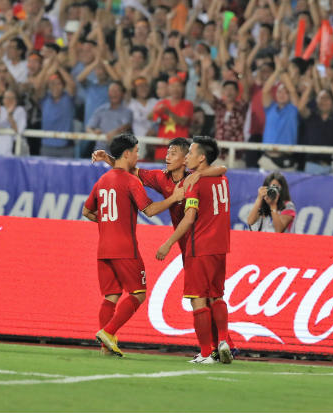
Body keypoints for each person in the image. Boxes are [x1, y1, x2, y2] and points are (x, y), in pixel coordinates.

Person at [92, 137, 238, 358]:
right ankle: (223, 344)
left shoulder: (193, 178)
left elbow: (222, 168)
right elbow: (128, 167)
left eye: (173, 153)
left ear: (185, 158)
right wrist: (108, 159)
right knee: (210, 295)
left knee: (202, 297)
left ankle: (216, 347)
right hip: (191, 245)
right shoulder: (162, 178)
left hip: (198, 243)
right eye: (167, 152)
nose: (167, 157)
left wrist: (200, 174)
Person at [83, 133, 185, 357]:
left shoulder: (102, 181)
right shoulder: (131, 181)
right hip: (125, 248)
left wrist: (108, 222)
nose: (138, 155)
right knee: (138, 294)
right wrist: (174, 198)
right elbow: (149, 210)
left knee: (111, 296)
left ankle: (105, 348)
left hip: (103, 249)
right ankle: (108, 332)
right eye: (137, 151)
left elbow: (87, 211)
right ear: (128, 154)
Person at [155, 136, 232, 364]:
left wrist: (168, 243)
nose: (187, 156)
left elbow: (189, 219)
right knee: (216, 296)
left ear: (201, 158)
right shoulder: (222, 179)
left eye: (191, 153)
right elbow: (222, 168)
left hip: (200, 246)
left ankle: (207, 353)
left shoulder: (193, 183)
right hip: (221, 246)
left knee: (197, 299)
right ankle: (223, 340)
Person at [0, 88, 28, 156]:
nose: (8, 100)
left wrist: (10, 115)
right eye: (6, 98)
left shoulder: (20, 110)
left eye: (10, 98)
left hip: (14, 149)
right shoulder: (0, 110)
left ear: (15, 100)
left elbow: (18, 130)